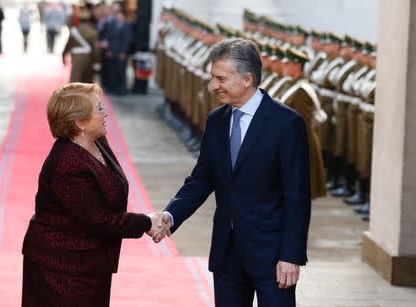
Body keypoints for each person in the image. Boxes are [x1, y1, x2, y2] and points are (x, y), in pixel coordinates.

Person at [158, 38, 311, 307]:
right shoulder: (216, 120)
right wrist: (171, 215)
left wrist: (292, 255)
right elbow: (202, 179)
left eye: (221, 78)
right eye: (212, 77)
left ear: (248, 79)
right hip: (227, 254)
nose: (213, 85)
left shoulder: (287, 124)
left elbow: (297, 197)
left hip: (272, 257)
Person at [21, 83, 165, 306]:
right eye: (99, 109)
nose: (105, 113)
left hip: (89, 263)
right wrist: (147, 222)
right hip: (60, 267)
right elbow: (99, 220)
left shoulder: (97, 142)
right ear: (79, 123)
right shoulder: (67, 162)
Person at [62, 8, 100, 83]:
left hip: (76, 57)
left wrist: (63, 54)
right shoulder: (93, 31)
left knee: (75, 80)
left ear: (79, 19)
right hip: (88, 58)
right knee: (88, 82)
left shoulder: (74, 31)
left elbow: (68, 44)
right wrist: (97, 61)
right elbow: (96, 48)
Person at [105, 2, 131, 95]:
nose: (116, 17)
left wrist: (123, 52)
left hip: (121, 53)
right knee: (113, 72)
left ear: (122, 16)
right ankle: (114, 88)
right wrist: (109, 50)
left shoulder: (126, 26)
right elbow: (110, 39)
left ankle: (121, 89)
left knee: (121, 72)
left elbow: (126, 40)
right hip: (113, 52)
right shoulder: (113, 25)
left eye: (118, 15)